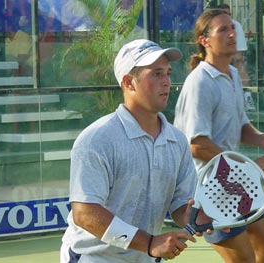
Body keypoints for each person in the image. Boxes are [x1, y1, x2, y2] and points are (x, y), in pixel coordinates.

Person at [60, 39, 201, 262]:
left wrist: (195, 217)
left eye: (167, 73)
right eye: (156, 74)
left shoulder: (177, 141)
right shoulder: (96, 139)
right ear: (129, 82)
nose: (166, 82)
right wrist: (150, 243)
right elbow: (84, 213)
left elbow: (180, 203)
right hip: (93, 258)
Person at [174, 9, 264, 263]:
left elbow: (240, 124)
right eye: (223, 29)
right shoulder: (199, 82)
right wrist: (247, 168)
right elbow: (197, 145)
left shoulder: (232, 74)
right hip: (209, 190)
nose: (232, 33)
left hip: (236, 182)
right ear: (205, 40)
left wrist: (261, 138)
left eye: (232, 27)